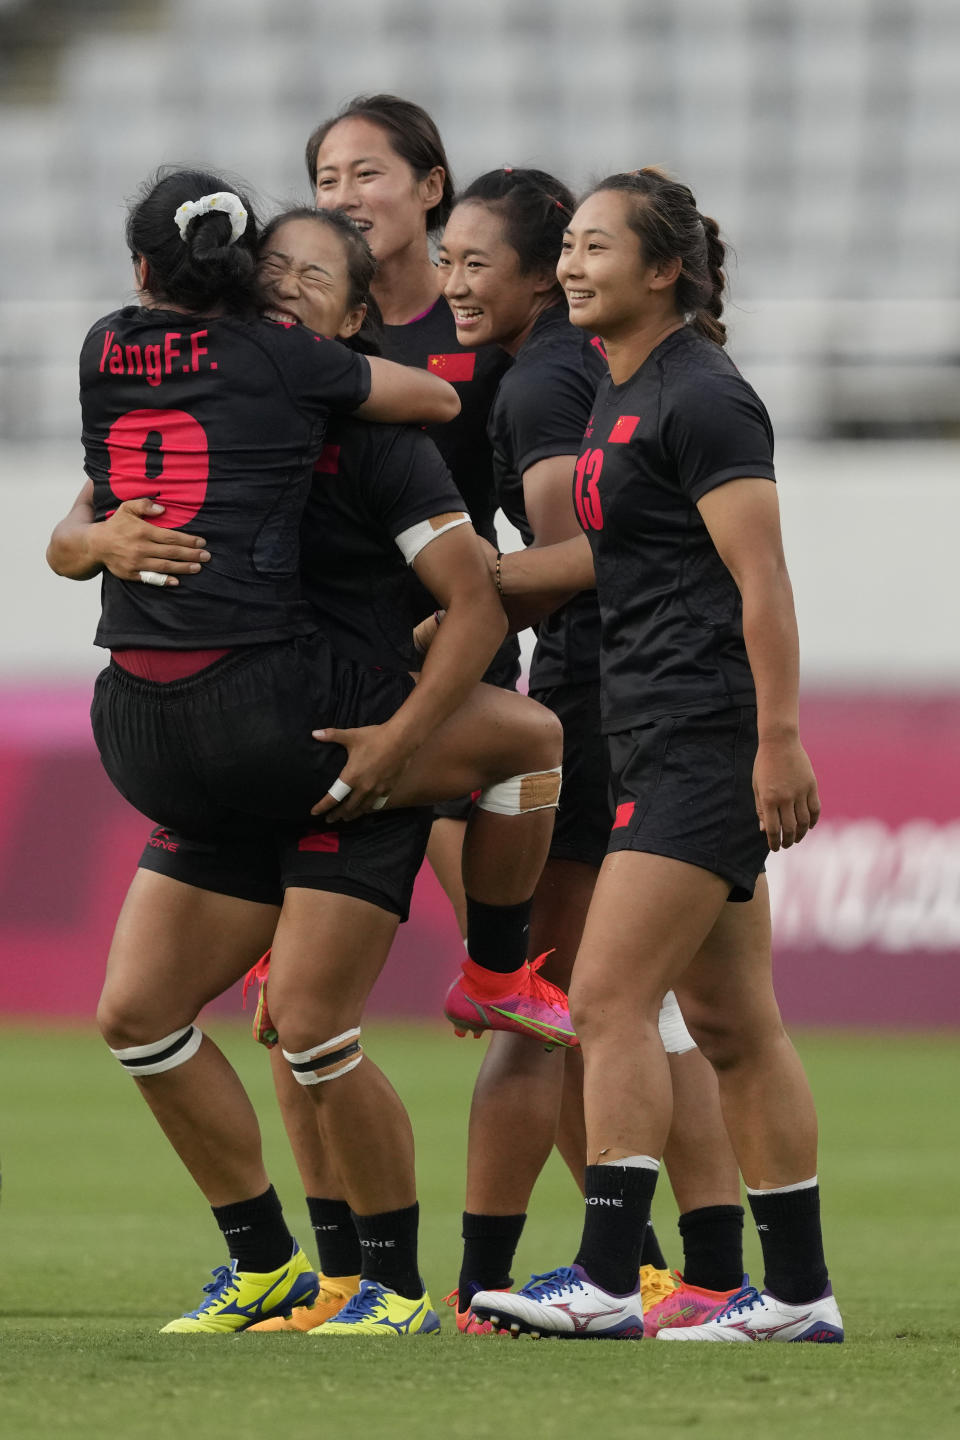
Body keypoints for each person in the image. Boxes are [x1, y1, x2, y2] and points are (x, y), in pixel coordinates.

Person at [53, 173, 565, 1335]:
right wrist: (99, 537)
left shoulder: (377, 442)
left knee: (317, 1028)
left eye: (314, 279)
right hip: (245, 737)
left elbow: (475, 604)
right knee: (136, 1017)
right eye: (271, 269)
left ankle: (395, 1275)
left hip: (343, 741)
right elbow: (67, 530)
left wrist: (404, 734)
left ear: (351, 325)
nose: (286, 286)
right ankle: (270, 1266)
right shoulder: (220, 395)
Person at [469, 168, 844, 1343]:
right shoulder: (614, 395)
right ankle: (795, 1295)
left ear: (664, 268)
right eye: (568, 247)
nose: (572, 265)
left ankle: (606, 1277)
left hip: (700, 735)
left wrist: (776, 740)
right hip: (652, 731)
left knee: (606, 997)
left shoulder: (704, 397)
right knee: (734, 1028)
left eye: (595, 247)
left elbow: (764, 580)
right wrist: (459, 601)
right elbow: (603, 563)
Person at [434, 168, 746, 1335]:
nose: (455, 281)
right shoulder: (580, 370)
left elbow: (589, 554)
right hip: (638, 702)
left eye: (477, 263)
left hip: (611, 701)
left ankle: (545, 1281)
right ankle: (708, 1273)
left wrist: (465, 602)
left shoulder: (551, 382)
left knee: (559, 1003)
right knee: (660, 1014)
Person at [308, 93, 519, 937]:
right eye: (326, 179)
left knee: (524, 963)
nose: (343, 197)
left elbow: (554, 512)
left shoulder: (483, 324)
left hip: (459, 645)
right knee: (299, 993)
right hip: (332, 657)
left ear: (432, 186)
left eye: (368, 174)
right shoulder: (301, 332)